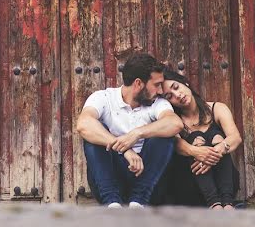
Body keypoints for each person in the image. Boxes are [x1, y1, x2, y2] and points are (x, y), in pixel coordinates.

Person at [75, 53, 184, 208]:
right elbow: (84, 124)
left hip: (148, 182)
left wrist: (137, 133)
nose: (160, 91)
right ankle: (112, 204)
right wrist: (124, 149)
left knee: (165, 136)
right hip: (111, 180)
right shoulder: (104, 98)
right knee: (94, 136)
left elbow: (175, 123)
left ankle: (138, 203)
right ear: (138, 83)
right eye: (157, 84)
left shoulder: (157, 103)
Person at [161, 67, 242, 210]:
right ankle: (216, 205)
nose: (177, 95)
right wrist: (197, 152)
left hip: (224, 184)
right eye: (169, 96)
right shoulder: (174, 120)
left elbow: (235, 138)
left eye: (176, 87)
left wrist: (214, 152)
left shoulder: (217, 108)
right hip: (191, 187)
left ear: (185, 83)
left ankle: (227, 205)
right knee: (196, 137)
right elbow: (178, 145)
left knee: (219, 139)